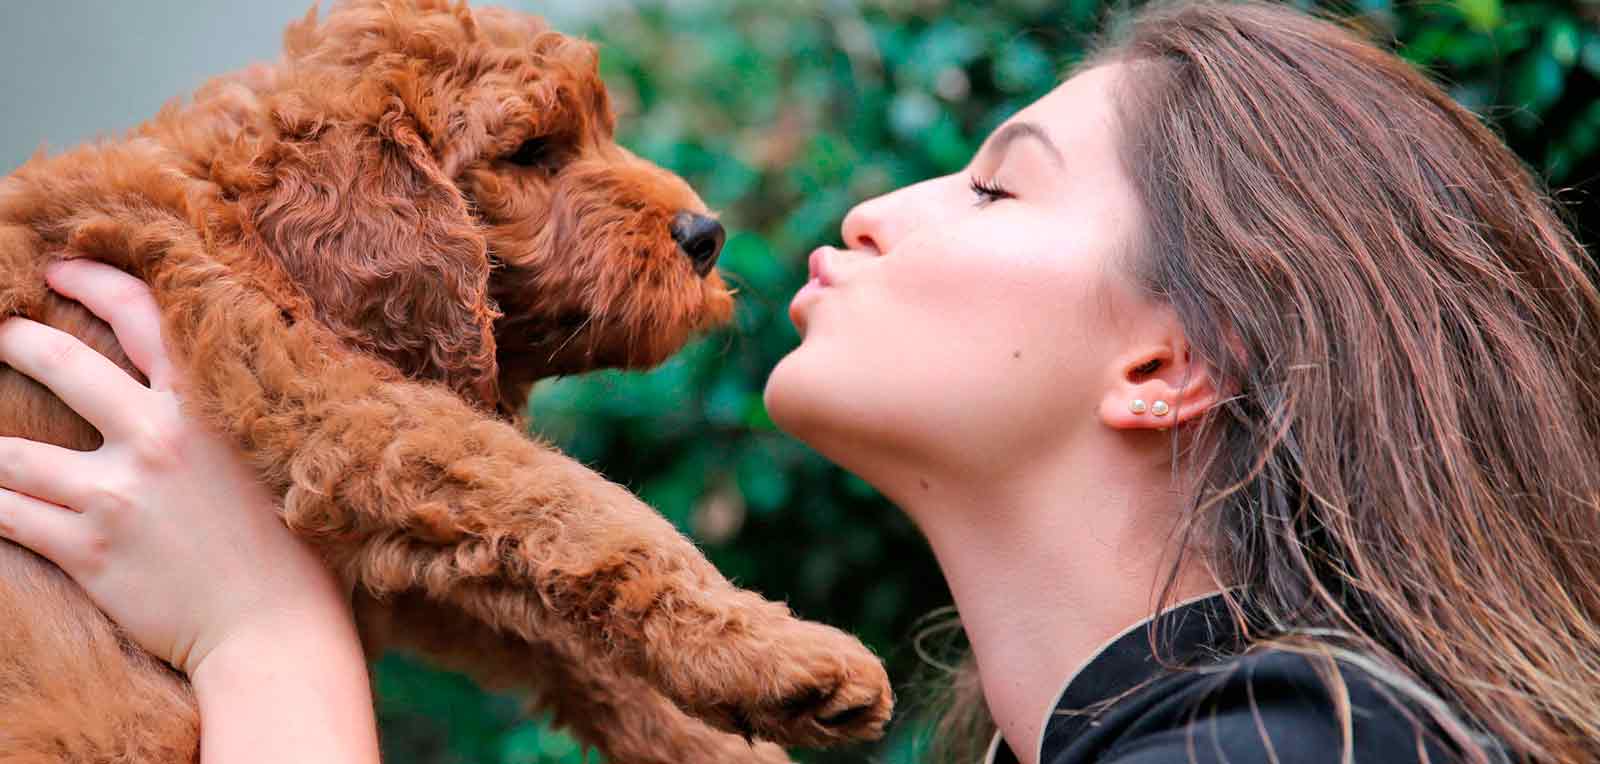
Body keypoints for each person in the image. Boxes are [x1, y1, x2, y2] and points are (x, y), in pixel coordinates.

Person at [2, 2, 1597, 762]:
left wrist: (264, 640)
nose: (866, 205)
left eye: (994, 185)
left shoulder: (1293, 751)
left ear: (1173, 361)